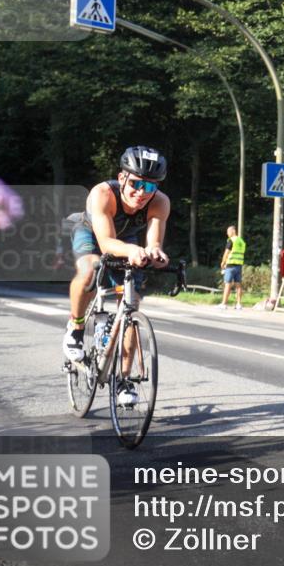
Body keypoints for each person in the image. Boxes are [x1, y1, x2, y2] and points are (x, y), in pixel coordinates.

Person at [62, 146, 171, 406]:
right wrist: (133, 250)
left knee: (130, 303)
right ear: (122, 178)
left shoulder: (160, 202)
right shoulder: (102, 194)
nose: (141, 193)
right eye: (135, 184)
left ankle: (124, 378)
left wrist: (156, 254)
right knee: (91, 268)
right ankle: (76, 328)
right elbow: (107, 241)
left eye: (150, 187)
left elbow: (154, 241)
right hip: (91, 232)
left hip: (127, 238)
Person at [217, 225, 246, 310]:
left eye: (228, 232)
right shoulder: (241, 241)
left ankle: (224, 304)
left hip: (230, 265)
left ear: (233, 231)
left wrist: (223, 262)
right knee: (238, 285)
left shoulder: (231, 240)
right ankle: (238, 304)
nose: (227, 234)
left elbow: (227, 252)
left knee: (227, 284)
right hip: (239, 265)